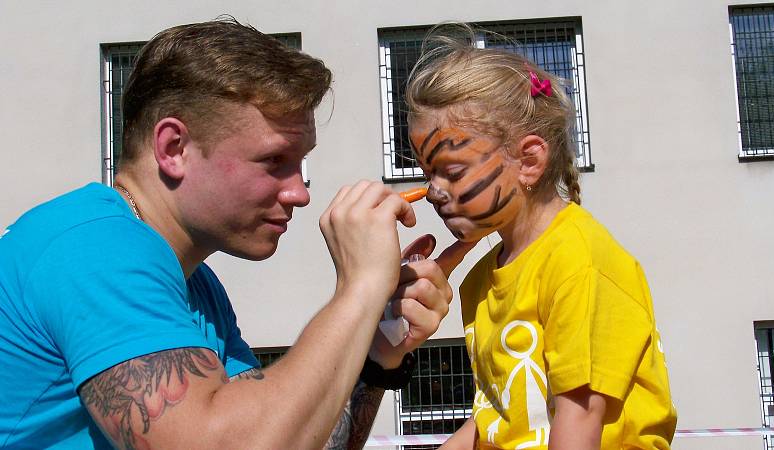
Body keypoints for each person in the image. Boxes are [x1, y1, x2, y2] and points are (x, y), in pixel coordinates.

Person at [0, 18, 474, 449]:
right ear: (174, 147)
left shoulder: (196, 287)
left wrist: (375, 346)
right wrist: (359, 289)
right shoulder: (94, 248)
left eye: (300, 165)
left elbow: (292, 438)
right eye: (274, 162)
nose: (299, 194)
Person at [404, 25, 678, 449]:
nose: (434, 192)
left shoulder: (579, 263)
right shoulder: (480, 279)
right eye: (427, 174)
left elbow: (579, 422)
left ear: (528, 161)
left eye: (452, 172)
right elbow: (502, 416)